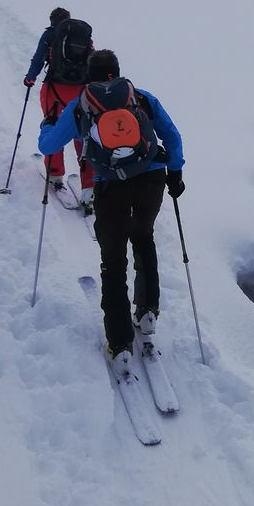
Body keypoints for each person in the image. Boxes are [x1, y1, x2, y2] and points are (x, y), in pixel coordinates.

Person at [38, 49, 185, 371]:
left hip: (109, 187)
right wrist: (175, 172)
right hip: (150, 180)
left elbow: (47, 147)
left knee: (113, 261)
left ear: (88, 76)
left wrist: (47, 125)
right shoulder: (141, 98)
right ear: (117, 72)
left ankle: (119, 342)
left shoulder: (82, 105)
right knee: (144, 238)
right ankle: (147, 312)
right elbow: (171, 136)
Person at [24, 7, 95, 201]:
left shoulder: (50, 35)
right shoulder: (84, 37)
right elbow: (94, 62)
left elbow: (38, 59)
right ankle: (89, 187)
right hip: (81, 92)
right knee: (84, 132)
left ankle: (55, 174)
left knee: (53, 127)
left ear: (52, 21)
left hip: (54, 90)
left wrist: (30, 78)